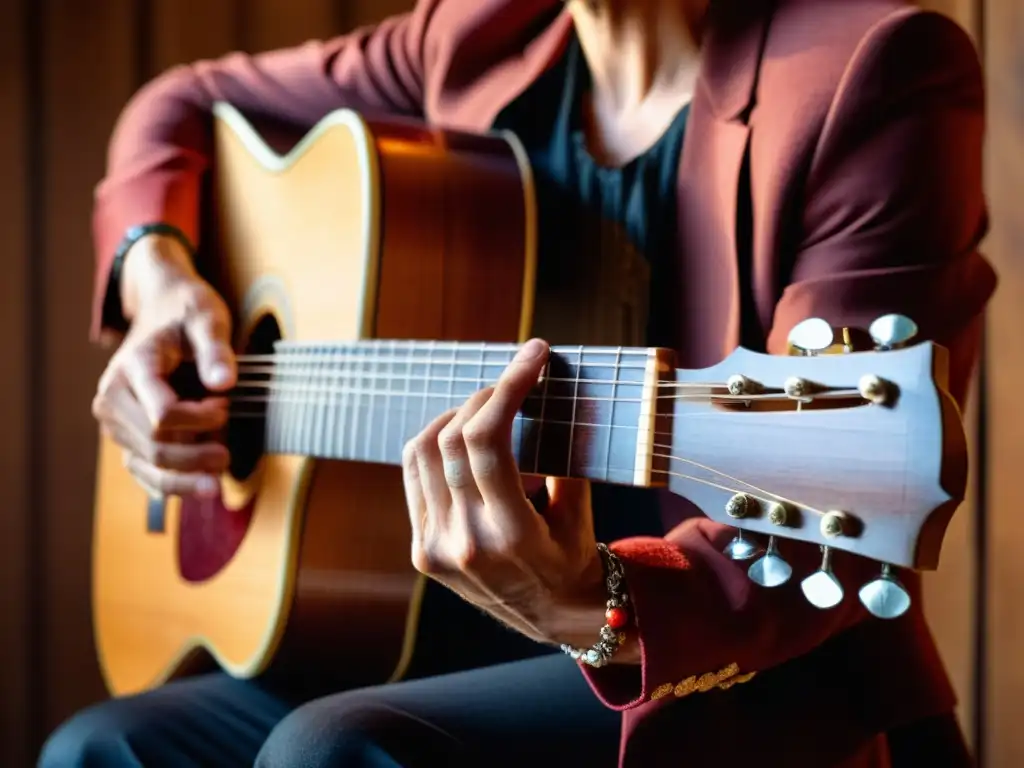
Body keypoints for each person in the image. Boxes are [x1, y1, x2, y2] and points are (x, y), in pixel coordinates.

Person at [42, 0, 997, 766]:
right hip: (442, 617)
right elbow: (176, 108)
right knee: (103, 744)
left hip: (717, 653)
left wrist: (593, 602)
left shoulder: (874, 66)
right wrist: (153, 274)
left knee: (332, 751)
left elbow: (830, 524)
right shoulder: (474, 33)